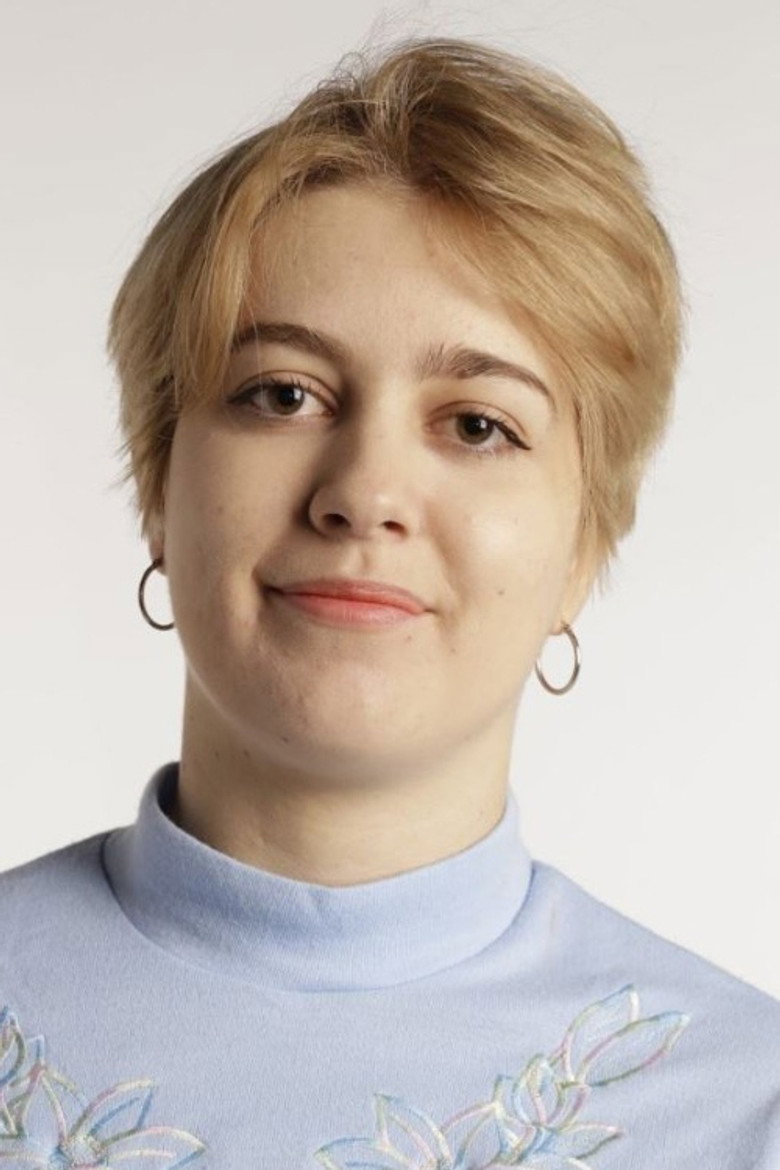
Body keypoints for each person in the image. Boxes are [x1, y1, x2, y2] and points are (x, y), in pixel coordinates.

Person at [1, 33, 778, 1169]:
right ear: (157, 483)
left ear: (585, 545)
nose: (363, 493)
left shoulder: (750, 1109)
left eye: (478, 424)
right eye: (283, 394)